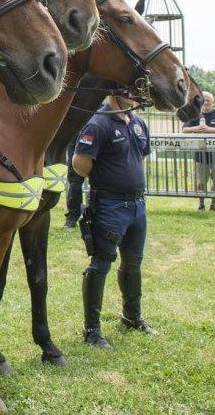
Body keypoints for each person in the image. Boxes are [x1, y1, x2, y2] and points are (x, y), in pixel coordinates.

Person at [72, 93, 158, 349]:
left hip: (136, 205)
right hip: (109, 205)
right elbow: (79, 163)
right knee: (100, 265)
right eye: (131, 91)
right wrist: (108, 178)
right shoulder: (98, 123)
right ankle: (92, 330)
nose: (137, 96)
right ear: (117, 92)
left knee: (133, 263)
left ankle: (132, 316)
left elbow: (139, 155)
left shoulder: (138, 122)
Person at [182, 91, 215, 210]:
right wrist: (197, 128)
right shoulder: (195, 114)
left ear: (213, 102)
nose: (206, 102)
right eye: (204, 100)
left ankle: (213, 205)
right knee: (201, 182)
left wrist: (208, 129)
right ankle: (201, 204)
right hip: (200, 154)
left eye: (208, 100)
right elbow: (184, 129)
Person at [63, 136, 88, 228]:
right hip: (77, 139)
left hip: (98, 134)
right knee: (75, 181)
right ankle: (72, 216)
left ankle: (99, 214)